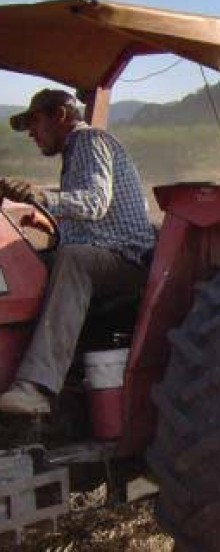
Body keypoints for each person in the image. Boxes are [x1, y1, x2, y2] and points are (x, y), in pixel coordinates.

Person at [0, 89, 155, 415]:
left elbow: (94, 202)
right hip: (103, 250)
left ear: (60, 115)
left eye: (34, 121)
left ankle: (36, 386)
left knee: (74, 260)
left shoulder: (89, 141)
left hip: (127, 259)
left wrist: (41, 197)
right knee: (29, 262)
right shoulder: (74, 156)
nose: (30, 132)